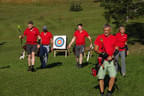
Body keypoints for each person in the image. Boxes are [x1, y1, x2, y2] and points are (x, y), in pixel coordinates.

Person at [94, 24, 118, 96]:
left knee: (113, 77)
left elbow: (117, 48)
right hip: (102, 61)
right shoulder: (99, 37)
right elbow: (96, 49)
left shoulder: (114, 38)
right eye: (104, 30)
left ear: (110, 30)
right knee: (101, 77)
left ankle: (109, 91)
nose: (106, 32)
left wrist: (112, 56)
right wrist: (104, 54)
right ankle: (102, 93)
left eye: (107, 30)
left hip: (111, 61)